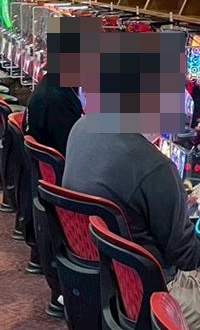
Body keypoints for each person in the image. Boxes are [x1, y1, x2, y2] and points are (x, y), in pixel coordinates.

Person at [62, 116, 200, 329]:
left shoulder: (81, 126)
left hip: (100, 271)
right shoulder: (155, 166)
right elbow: (186, 256)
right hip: (153, 290)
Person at [21, 75, 84, 318]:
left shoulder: (52, 85)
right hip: (66, 196)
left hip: (44, 188)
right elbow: (74, 156)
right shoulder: (58, 100)